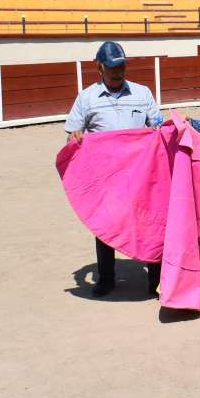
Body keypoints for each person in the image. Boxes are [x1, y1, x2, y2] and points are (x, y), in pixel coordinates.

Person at [65, 41, 164, 298]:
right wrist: (75, 137)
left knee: (150, 222)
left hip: (142, 172)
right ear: (99, 68)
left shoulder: (143, 94)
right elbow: (73, 135)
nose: (118, 72)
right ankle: (106, 278)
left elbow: (158, 128)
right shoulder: (87, 98)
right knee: (105, 223)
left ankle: (156, 279)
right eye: (112, 68)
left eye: (121, 66)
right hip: (106, 175)